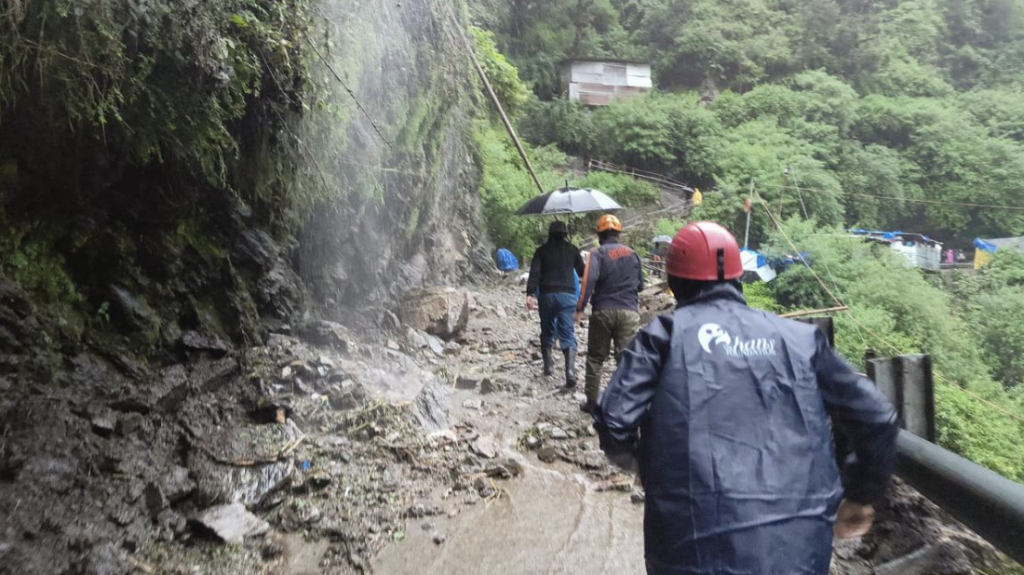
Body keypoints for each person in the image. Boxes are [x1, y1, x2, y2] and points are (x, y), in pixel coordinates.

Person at [593, 221, 898, 575]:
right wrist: (859, 495)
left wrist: (646, 466)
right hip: (798, 549)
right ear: (739, 278)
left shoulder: (663, 336)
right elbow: (878, 418)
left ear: (674, 284)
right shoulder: (801, 339)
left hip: (687, 547)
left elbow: (615, 420)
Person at [575, 214, 644, 413]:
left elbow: (588, 283)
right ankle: (627, 403)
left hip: (603, 311)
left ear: (599, 236)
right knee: (626, 358)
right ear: (619, 235)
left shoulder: (597, 254)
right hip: (629, 312)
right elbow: (640, 285)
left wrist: (579, 309)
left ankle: (592, 402)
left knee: (596, 358)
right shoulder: (633, 254)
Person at [526, 221, 586, 386]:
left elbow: (535, 273)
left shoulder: (541, 251)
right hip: (567, 296)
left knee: (547, 330)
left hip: (546, 296)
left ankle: (548, 367)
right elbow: (582, 271)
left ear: (550, 234)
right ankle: (570, 372)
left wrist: (530, 293)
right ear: (565, 234)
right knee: (567, 333)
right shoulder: (572, 250)